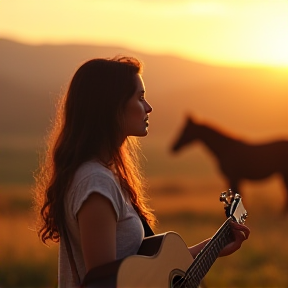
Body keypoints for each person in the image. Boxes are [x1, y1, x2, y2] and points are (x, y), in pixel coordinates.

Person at [33, 56, 250, 288]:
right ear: (112, 106)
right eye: (140, 98)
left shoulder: (104, 176)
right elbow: (105, 282)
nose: (149, 107)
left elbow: (146, 272)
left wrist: (213, 247)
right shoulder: (95, 182)